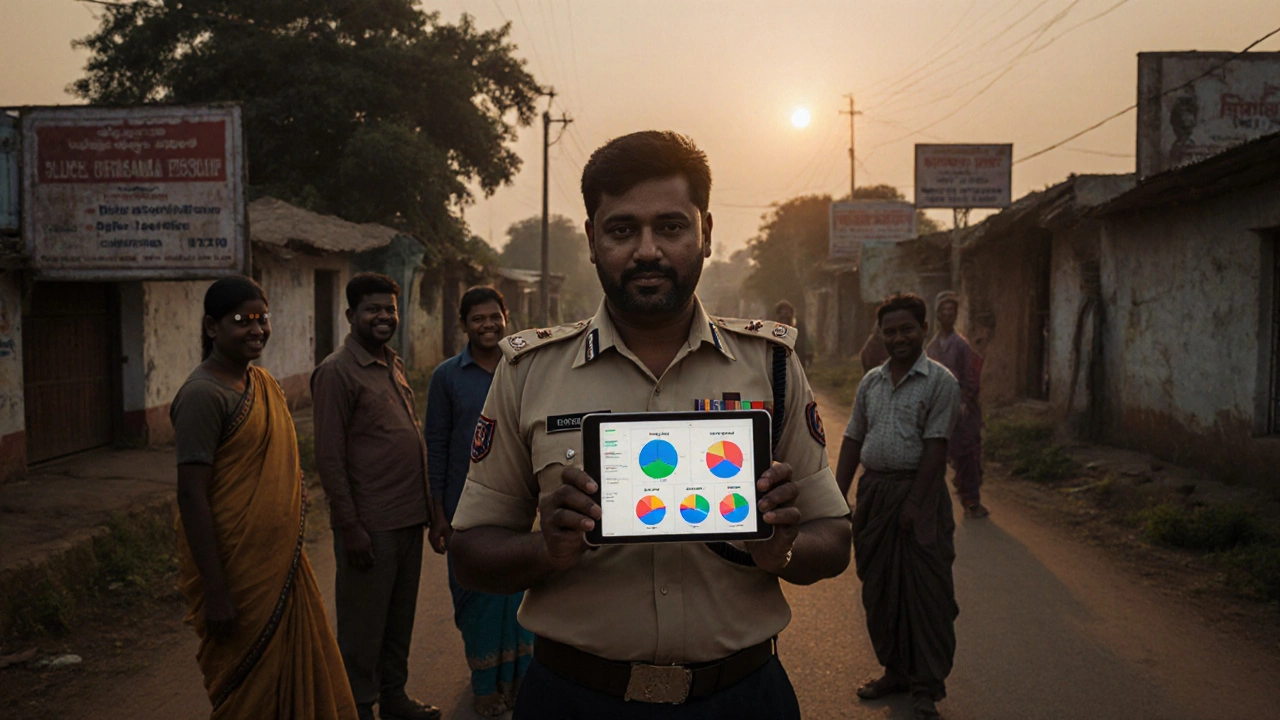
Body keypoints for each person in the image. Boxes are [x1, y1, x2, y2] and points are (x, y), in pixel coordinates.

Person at [448, 130, 852, 720]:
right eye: (621, 230)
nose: (646, 250)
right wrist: (547, 550)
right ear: (591, 240)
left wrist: (781, 551)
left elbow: (835, 539)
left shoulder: (773, 365)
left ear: (706, 233)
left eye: (670, 227)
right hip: (574, 698)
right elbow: (470, 551)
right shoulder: (528, 371)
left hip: (742, 697)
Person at [171, 276, 356, 719]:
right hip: (238, 576)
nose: (256, 329)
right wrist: (216, 592)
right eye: (242, 320)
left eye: (262, 318)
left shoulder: (262, 383)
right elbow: (191, 495)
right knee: (249, 692)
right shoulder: (202, 395)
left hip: (282, 565)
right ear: (213, 328)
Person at [311, 273, 440, 720]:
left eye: (389, 309)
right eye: (373, 309)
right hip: (370, 526)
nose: (383, 317)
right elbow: (329, 457)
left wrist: (431, 513)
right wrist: (350, 527)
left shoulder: (392, 363)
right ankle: (358, 708)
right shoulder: (335, 372)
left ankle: (395, 699)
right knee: (363, 629)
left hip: (407, 519)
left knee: (398, 623)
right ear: (350, 315)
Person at [834, 292, 961, 720]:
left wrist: (914, 504)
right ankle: (894, 671)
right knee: (880, 590)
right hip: (875, 495)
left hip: (919, 497)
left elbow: (937, 446)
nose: (898, 337)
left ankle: (926, 686)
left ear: (923, 330)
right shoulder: (871, 381)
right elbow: (853, 438)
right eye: (889, 331)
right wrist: (838, 496)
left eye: (907, 328)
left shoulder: (941, 381)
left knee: (927, 595)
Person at [424, 286, 533, 716]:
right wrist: (437, 513)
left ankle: (521, 684)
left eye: (494, 316)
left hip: (518, 506)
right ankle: (486, 688)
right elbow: (435, 443)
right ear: (464, 324)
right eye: (477, 319)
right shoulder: (447, 377)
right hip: (463, 508)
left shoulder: (523, 368)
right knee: (477, 604)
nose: (487, 325)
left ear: (506, 315)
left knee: (520, 600)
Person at [927, 291, 988, 518]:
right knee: (932, 458)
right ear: (937, 314)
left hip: (961, 411)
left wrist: (964, 401)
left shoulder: (961, 345)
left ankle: (971, 500)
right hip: (937, 410)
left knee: (967, 456)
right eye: (943, 310)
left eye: (951, 311)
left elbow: (969, 379)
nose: (947, 314)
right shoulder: (932, 348)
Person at [773, 300, 811, 366]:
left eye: (786, 312)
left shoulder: (799, 325)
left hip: (795, 357)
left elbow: (801, 343)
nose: (784, 314)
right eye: (781, 312)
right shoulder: (774, 327)